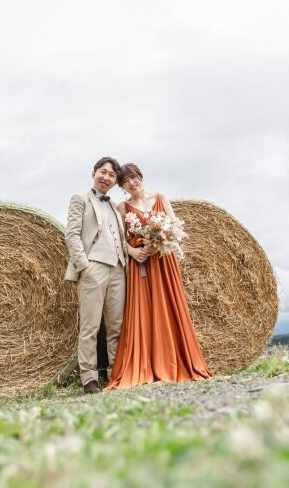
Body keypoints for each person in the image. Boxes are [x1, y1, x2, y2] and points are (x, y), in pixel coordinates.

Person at [106, 163, 210, 389]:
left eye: (134, 178)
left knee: (169, 307)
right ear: (122, 186)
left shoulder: (161, 197)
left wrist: (157, 243)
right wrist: (134, 251)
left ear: (140, 177)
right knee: (143, 311)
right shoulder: (123, 207)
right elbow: (120, 239)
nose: (132, 183)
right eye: (126, 181)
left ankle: (174, 361)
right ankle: (146, 363)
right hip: (140, 265)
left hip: (163, 262)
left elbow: (174, 229)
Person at [64, 157, 128, 394]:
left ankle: (116, 373)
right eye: (103, 172)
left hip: (118, 269)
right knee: (90, 325)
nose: (107, 178)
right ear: (94, 173)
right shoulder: (80, 199)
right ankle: (89, 378)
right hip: (94, 267)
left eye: (112, 175)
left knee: (116, 326)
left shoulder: (114, 206)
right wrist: (85, 266)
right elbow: (71, 234)